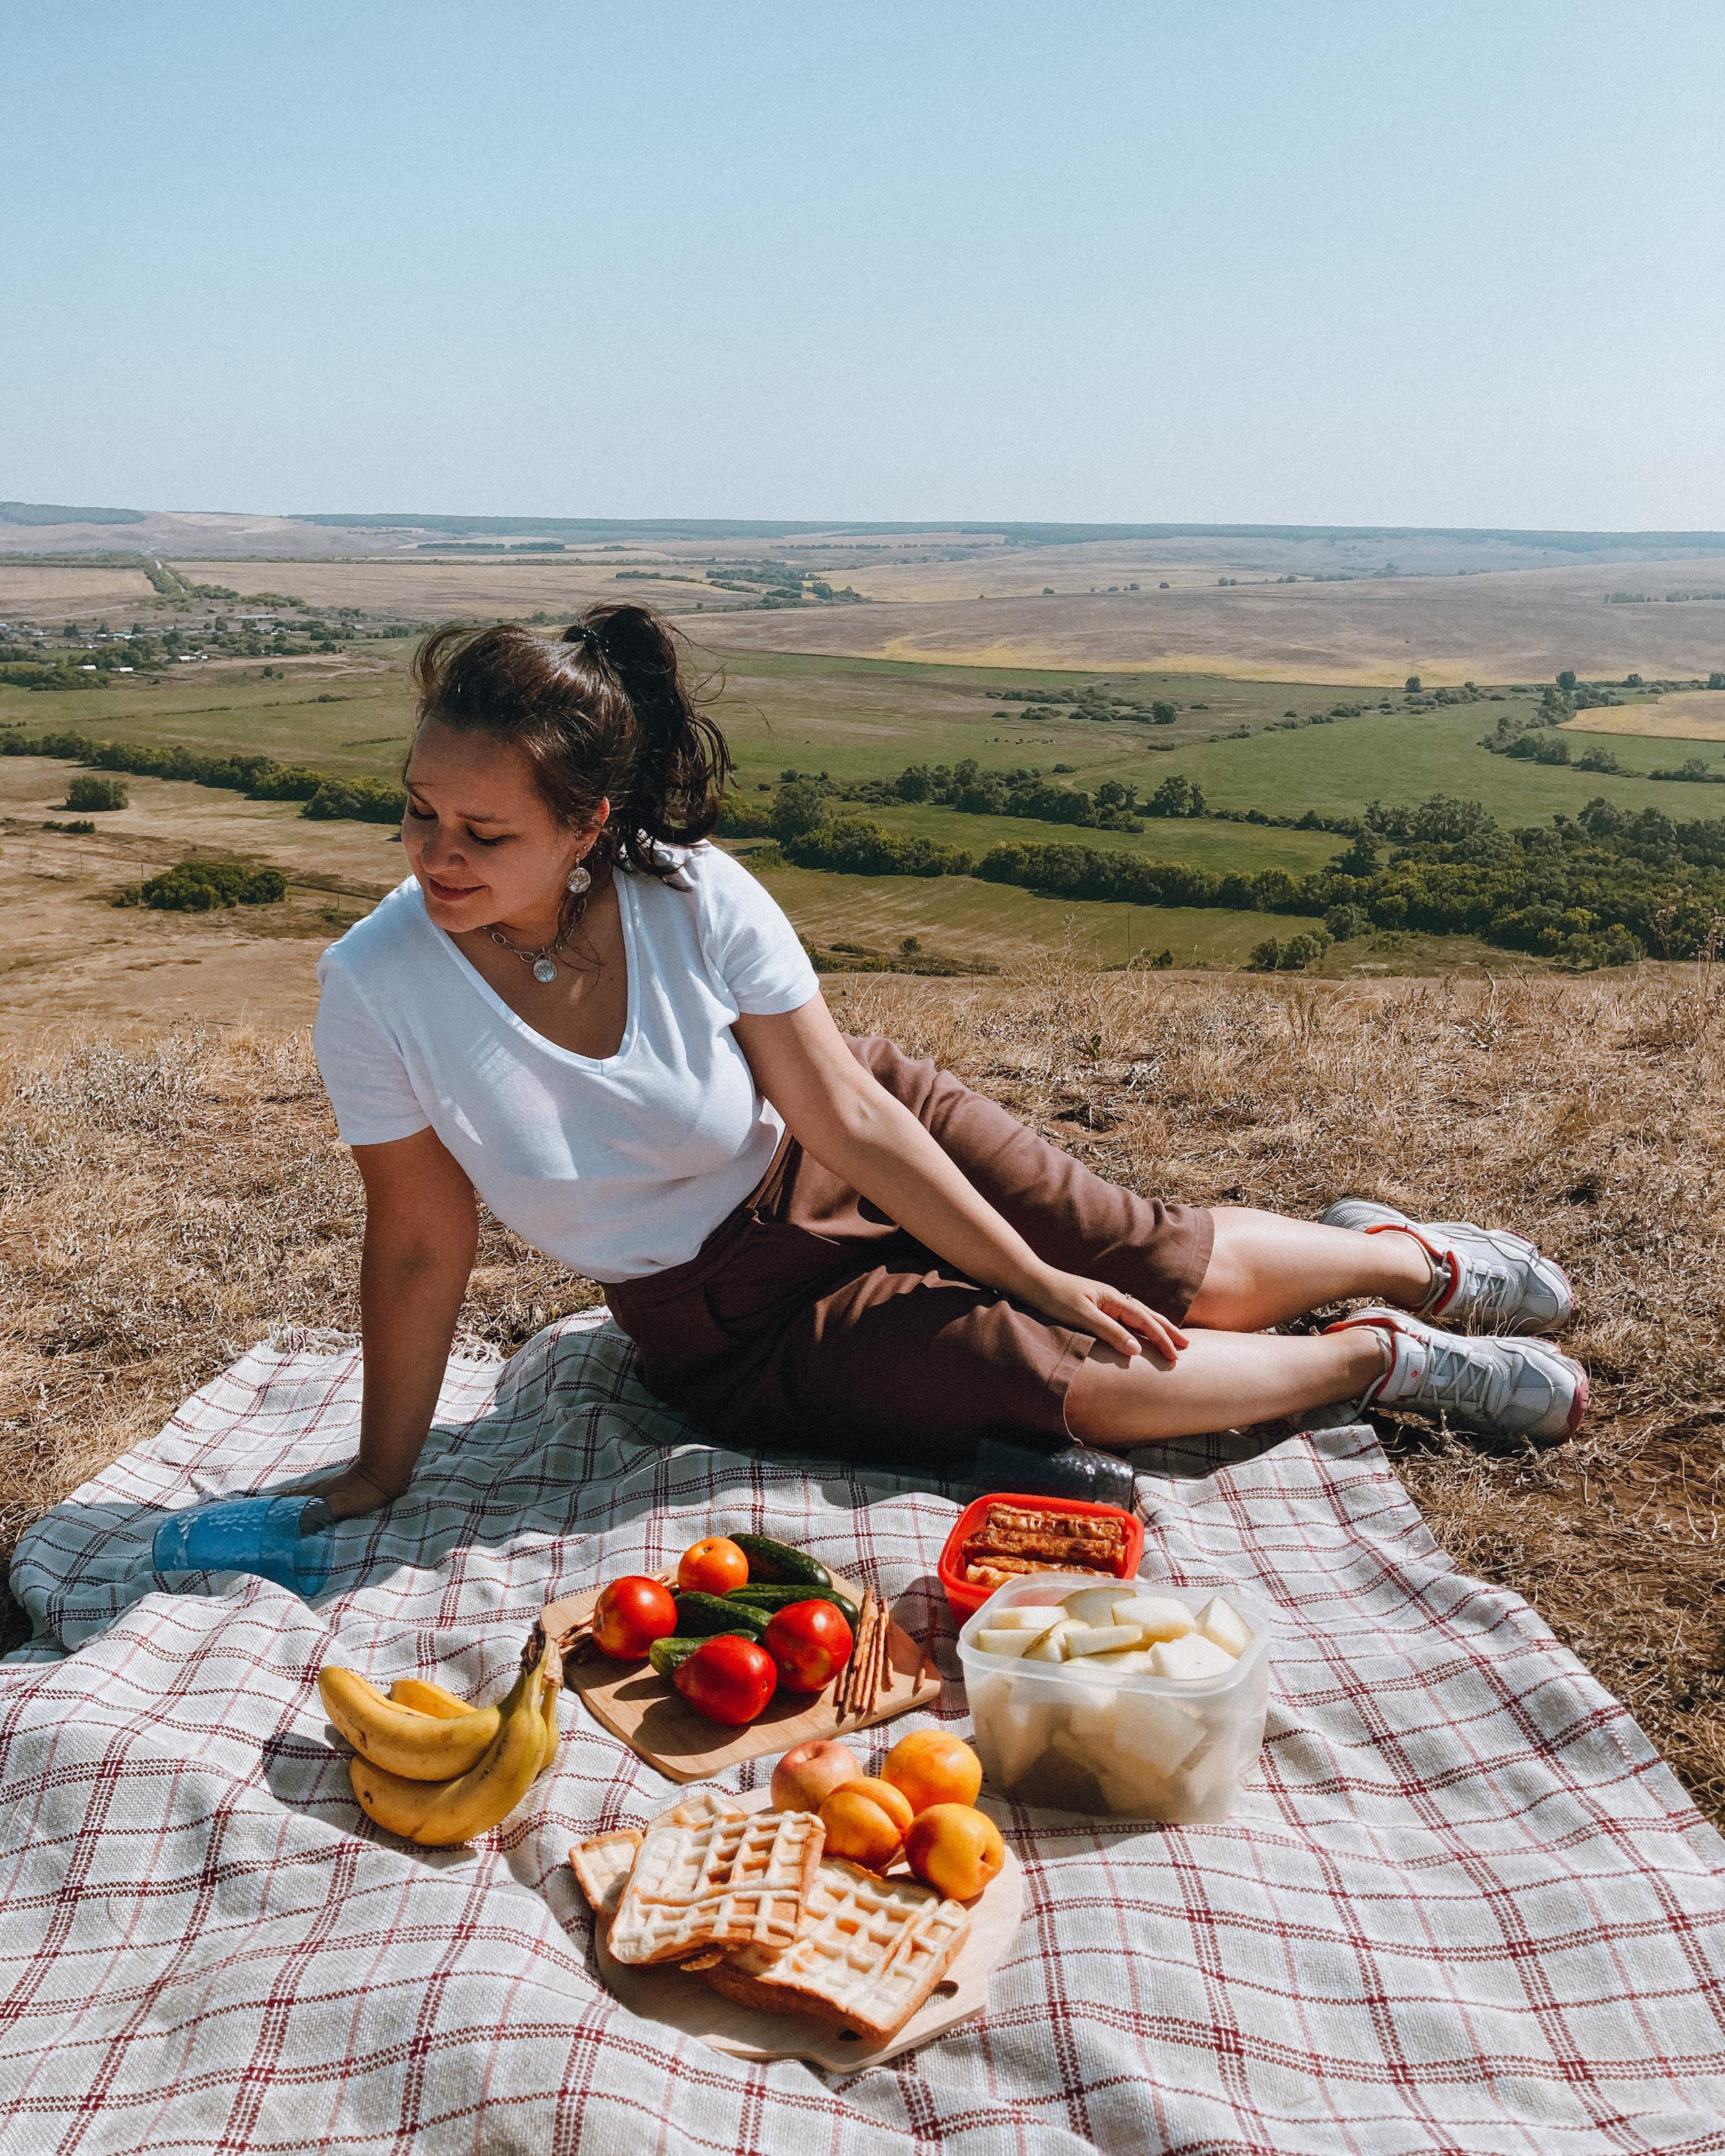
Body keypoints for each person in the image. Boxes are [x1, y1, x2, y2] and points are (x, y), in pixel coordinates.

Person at [307, 608, 1586, 1521]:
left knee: (1142, 1265)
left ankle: (1414, 1260)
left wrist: (1035, 1270)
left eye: (484, 828)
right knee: (1062, 1379)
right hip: (729, 1318)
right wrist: (382, 1470)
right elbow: (422, 1243)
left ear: (591, 823)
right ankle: (1381, 1357)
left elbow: (846, 1116)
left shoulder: (690, 895)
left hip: (852, 1138)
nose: (435, 853)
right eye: (419, 808)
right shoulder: (377, 985)